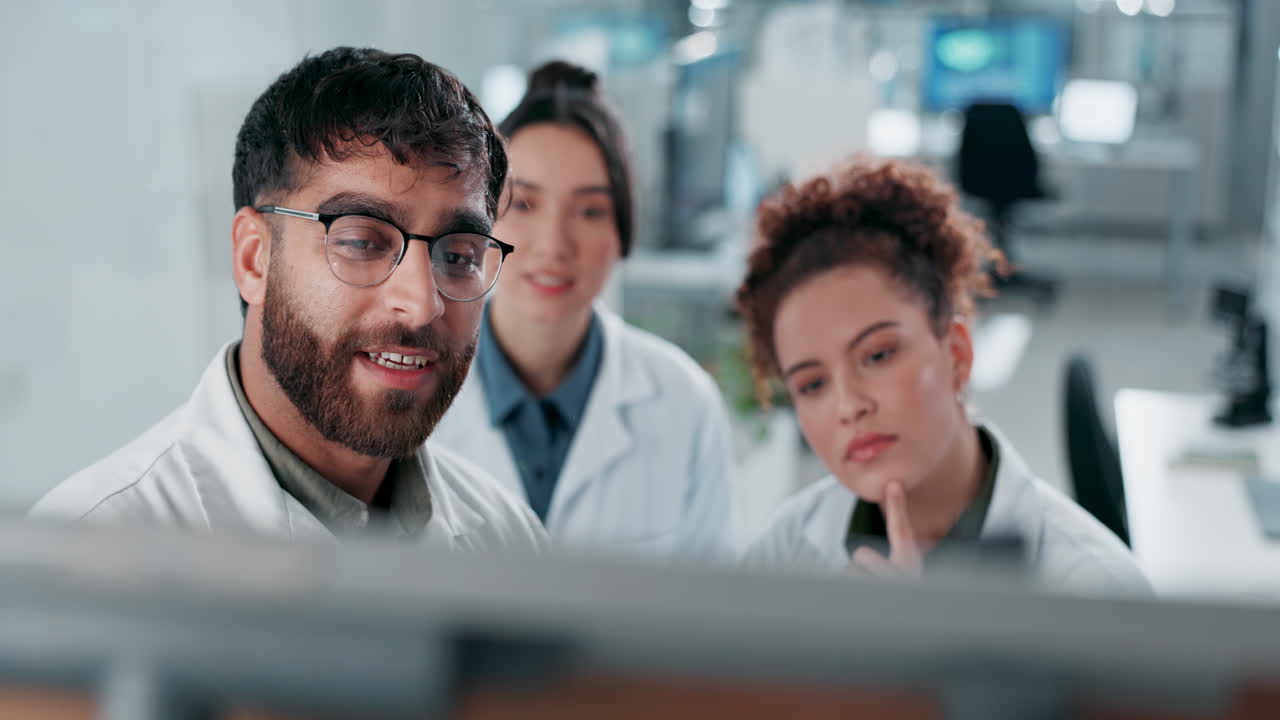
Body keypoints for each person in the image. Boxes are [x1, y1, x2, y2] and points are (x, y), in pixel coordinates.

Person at [31, 47, 547, 551]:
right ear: (254, 259)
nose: (421, 304)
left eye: (458, 256)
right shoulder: (87, 546)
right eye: (362, 242)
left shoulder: (507, 538)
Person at [735, 157, 1147, 593]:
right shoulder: (784, 550)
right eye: (812, 384)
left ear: (957, 354)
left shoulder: (1095, 583)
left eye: (877, 356)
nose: (849, 406)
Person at [432, 61, 733, 561]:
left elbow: (715, 616)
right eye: (523, 204)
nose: (554, 246)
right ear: (480, 222)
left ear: (622, 234)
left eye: (590, 211)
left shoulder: (684, 404)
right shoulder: (416, 383)